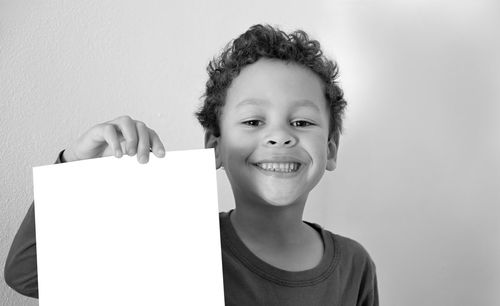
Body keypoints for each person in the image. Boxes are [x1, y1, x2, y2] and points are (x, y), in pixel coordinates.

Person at [4, 24, 378, 305]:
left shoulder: (354, 265)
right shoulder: (173, 242)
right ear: (214, 147)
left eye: (301, 122)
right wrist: (75, 165)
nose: (279, 136)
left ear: (330, 149)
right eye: (253, 122)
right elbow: (26, 273)